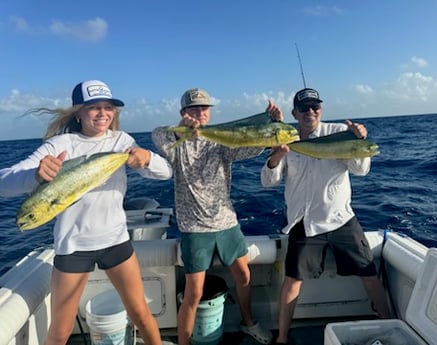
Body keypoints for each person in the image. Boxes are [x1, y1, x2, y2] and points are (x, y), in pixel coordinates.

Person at [0, 80, 172, 345]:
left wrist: (147, 158)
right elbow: (4, 181)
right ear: (78, 113)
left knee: (141, 314)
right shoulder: (59, 144)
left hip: (116, 241)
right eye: (93, 107)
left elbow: (165, 172)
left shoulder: (121, 141)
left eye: (108, 107)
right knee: (60, 331)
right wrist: (34, 174)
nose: (102, 113)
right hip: (73, 247)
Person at [261, 88, 391, 345]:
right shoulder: (286, 137)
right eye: (304, 108)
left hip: (341, 218)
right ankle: (282, 337)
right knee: (292, 280)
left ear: (321, 108)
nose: (311, 111)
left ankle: (389, 323)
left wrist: (359, 142)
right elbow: (268, 181)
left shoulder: (338, 134)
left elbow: (361, 170)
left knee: (368, 272)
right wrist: (276, 156)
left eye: (315, 107)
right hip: (303, 221)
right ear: (294, 113)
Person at [152, 88, 282, 345]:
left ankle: (248, 322)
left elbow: (250, 146)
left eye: (204, 109)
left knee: (244, 276)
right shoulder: (175, 143)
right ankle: (184, 342)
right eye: (193, 109)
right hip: (194, 227)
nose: (199, 113)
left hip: (226, 221)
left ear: (210, 112)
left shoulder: (221, 141)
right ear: (183, 113)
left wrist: (273, 125)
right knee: (194, 292)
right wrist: (181, 129)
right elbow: (156, 135)